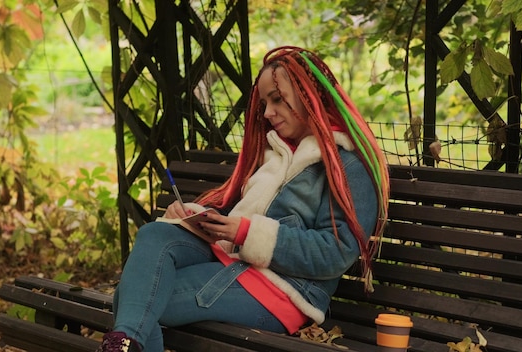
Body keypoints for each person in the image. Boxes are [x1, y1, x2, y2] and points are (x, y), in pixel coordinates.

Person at [96, 46, 390, 352]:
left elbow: (336, 253)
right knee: (155, 236)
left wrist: (248, 233)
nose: (267, 113)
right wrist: (195, 216)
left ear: (309, 95)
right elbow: (239, 213)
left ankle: (121, 345)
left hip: (283, 292)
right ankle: (122, 345)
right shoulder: (277, 154)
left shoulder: (348, 165)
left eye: (277, 99)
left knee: (135, 303)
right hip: (235, 263)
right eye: (264, 103)